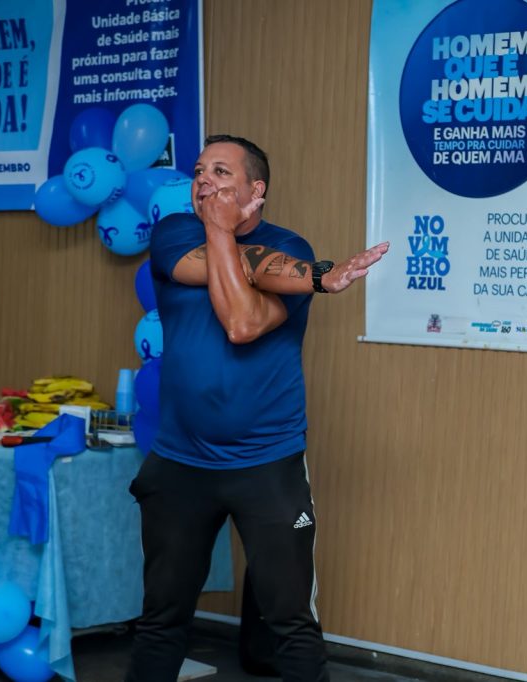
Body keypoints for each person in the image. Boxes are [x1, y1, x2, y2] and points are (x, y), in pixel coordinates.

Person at [126, 134, 389, 682]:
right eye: (199, 171)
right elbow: (243, 279)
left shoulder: (288, 245)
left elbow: (242, 323)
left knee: (291, 624)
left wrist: (304, 271)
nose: (205, 180)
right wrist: (315, 276)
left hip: (267, 464)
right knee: (160, 620)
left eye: (222, 172)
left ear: (256, 189)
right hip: (180, 463)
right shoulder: (174, 234)